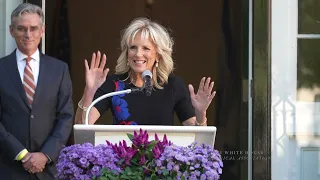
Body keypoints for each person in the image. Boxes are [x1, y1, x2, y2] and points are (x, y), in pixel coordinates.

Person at [75, 17, 215, 126]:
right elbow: (82, 126)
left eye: (146, 49)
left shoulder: (173, 86)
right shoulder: (113, 85)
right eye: (133, 47)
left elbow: (198, 140)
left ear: (158, 55)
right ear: (126, 53)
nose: (138, 54)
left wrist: (201, 113)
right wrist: (89, 92)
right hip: (121, 161)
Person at [0, 3, 74, 180]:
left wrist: (45, 155)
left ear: (42, 31)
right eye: (21, 28)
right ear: (11, 31)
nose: (28, 34)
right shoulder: (1, 69)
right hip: (8, 168)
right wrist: (21, 154)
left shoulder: (59, 69)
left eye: (33, 28)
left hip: (48, 169)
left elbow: (66, 116)